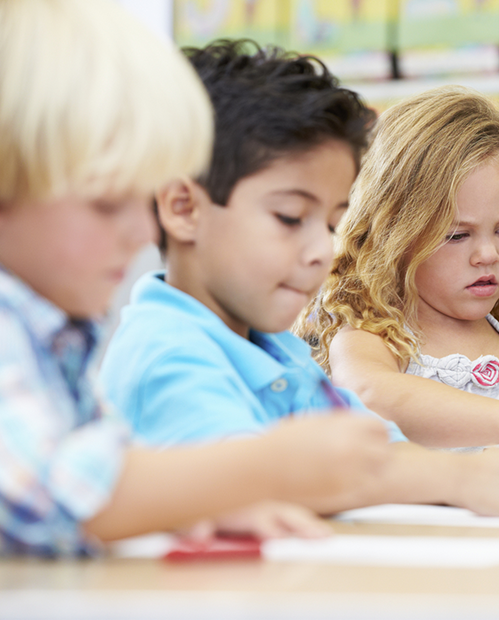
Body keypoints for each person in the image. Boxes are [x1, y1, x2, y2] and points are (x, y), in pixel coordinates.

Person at [0, 0, 395, 556]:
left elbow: (106, 471)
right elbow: (45, 499)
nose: (143, 230)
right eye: (107, 203)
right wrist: (264, 468)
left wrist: (196, 506)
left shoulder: (62, 337)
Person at [99, 41, 499, 517]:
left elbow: (374, 449)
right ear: (184, 208)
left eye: (332, 223)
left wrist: (471, 472)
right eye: (291, 218)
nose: (322, 251)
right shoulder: (166, 355)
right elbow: (254, 483)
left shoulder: (278, 350)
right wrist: (458, 476)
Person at [309, 86, 499, 484]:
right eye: (457, 235)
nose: (488, 254)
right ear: (393, 234)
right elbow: (372, 396)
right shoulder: (371, 342)